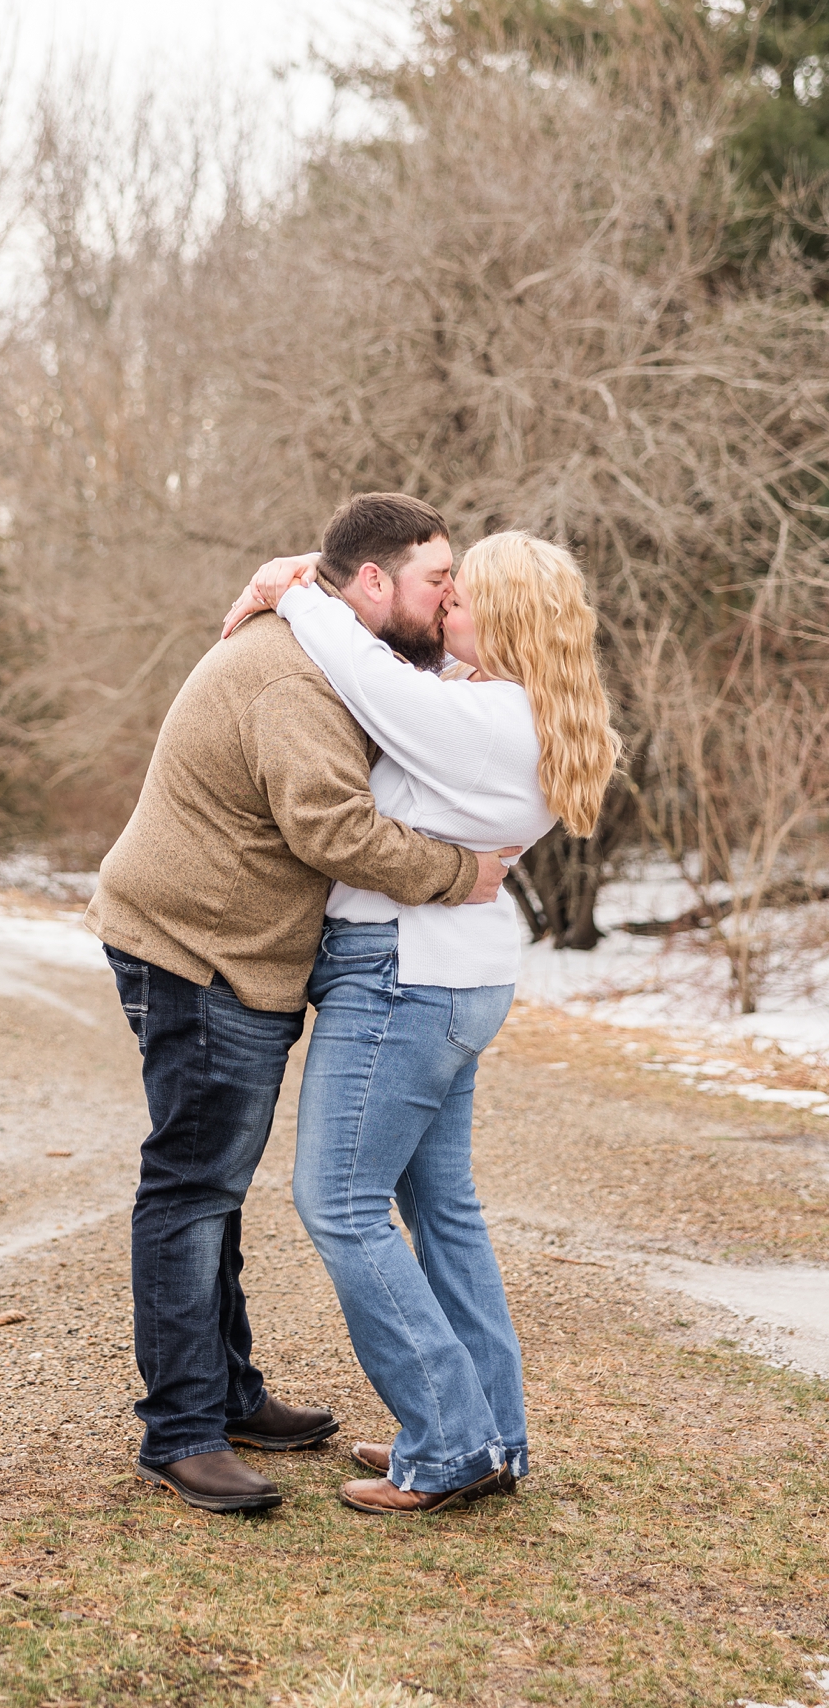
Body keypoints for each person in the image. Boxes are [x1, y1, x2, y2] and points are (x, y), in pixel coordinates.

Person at [85, 493, 517, 1514]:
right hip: (197, 948)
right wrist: (463, 873)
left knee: (215, 1182)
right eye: (436, 581)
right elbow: (332, 830)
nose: (449, 596)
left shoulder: (340, 654)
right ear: (372, 584)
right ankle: (181, 1431)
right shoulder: (298, 683)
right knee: (192, 1186)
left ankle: (228, 1395)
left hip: (238, 947)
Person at [222, 527, 620, 1514]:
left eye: (466, 599)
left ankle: (448, 1443)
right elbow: (403, 672)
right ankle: (492, 1432)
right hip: (448, 977)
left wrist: (296, 587)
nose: (447, 610)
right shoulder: (509, 709)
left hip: (404, 979)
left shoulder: (486, 720)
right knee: (441, 1211)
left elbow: (373, 683)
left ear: (512, 624)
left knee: (340, 1205)